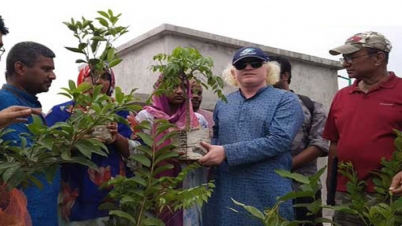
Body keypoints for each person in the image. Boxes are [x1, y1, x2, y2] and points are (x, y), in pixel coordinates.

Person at [199, 47, 304, 226]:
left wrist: (226, 152)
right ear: (233, 72)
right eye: (241, 64)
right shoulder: (223, 103)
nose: (248, 67)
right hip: (225, 189)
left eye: (255, 63)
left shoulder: (285, 100)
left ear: (268, 69)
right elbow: (217, 138)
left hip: (267, 188)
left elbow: (279, 140)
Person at [323, 31, 402, 226]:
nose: (345, 63)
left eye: (352, 57)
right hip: (348, 193)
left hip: (391, 193)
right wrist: (332, 184)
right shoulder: (342, 96)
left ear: (378, 58)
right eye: (344, 58)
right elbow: (335, 142)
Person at [45, 65, 132, 225]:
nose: (98, 81)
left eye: (105, 77)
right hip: (73, 193)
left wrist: (117, 137)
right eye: (92, 75)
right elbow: (46, 152)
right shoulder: (62, 112)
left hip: (112, 195)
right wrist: (76, 138)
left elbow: (137, 153)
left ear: (111, 83)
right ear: (81, 79)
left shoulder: (120, 112)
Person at [134, 75, 208, 226]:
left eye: (183, 87)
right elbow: (137, 153)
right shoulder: (147, 117)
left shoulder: (198, 120)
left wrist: (197, 155)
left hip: (189, 186)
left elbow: (205, 154)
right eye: (173, 86)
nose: (179, 91)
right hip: (157, 187)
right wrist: (164, 154)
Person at [0, 41, 58, 226]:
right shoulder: (6, 103)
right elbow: (25, 157)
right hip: (25, 215)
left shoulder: (27, 104)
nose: (53, 76)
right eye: (46, 69)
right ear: (20, 68)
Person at [271, 56, 329, 226]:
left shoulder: (311, 105)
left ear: (285, 76)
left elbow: (319, 144)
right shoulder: (256, 107)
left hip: (303, 187)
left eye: (270, 72)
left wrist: (284, 168)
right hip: (265, 186)